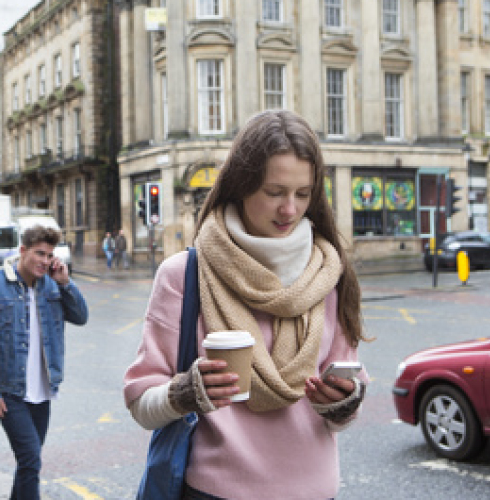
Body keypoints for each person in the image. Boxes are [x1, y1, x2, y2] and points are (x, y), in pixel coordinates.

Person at [123, 110, 369, 500]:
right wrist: (186, 392)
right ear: (241, 185)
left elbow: (343, 413)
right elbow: (140, 401)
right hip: (214, 492)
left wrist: (341, 403)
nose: (290, 209)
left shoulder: (329, 275)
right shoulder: (183, 275)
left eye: (302, 194)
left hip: (315, 491)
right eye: (275, 192)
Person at [0, 225, 88, 500]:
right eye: (40, 254)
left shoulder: (53, 285)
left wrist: (65, 283)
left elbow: (81, 316)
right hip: (11, 392)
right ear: (23, 251)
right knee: (31, 460)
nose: (45, 261)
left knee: (28, 463)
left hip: (43, 391)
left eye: (49, 255)